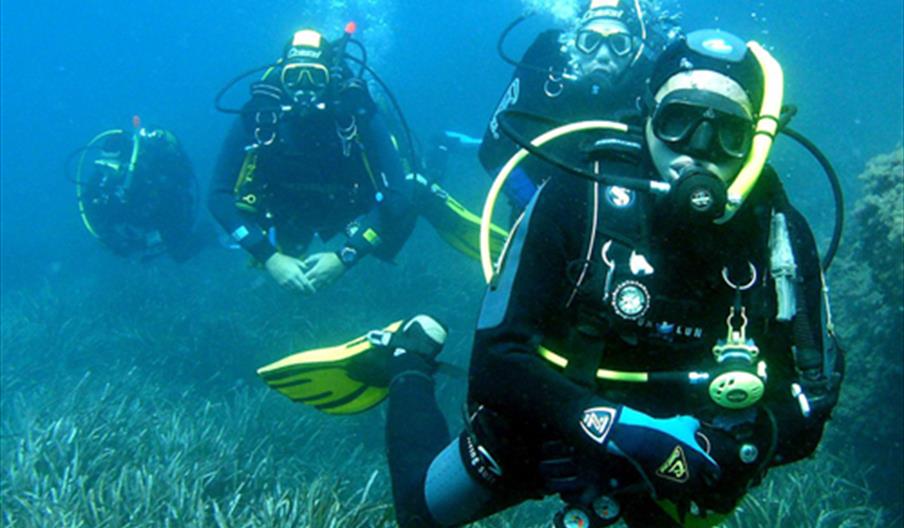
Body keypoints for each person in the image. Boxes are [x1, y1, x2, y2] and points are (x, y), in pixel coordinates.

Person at [263, 30, 843, 527]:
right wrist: (609, 427)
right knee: (420, 511)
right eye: (677, 122)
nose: (698, 152)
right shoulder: (575, 197)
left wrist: (745, 446)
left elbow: (812, 398)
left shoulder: (779, 235)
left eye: (727, 134)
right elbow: (496, 363)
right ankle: (410, 354)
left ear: (757, 141)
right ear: (646, 117)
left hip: (676, 465)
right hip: (542, 432)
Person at [210, 28, 507, 294]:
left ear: (330, 76)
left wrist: (346, 256)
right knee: (281, 269)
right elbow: (218, 195)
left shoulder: (356, 110)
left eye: (315, 76)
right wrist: (270, 257)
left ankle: (442, 150)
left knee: (417, 187)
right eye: (294, 76)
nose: (304, 87)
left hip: (354, 207)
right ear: (281, 75)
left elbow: (398, 195)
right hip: (289, 212)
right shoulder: (260, 115)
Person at [479, 0, 669, 214]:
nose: (603, 55)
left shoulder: (646, 84)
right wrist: (538, 209)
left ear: (633, 51)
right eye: (590, 41)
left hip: (621, 220)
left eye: (619, 43)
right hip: (537, 211)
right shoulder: (546, 68)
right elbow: (493, 151)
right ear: (572, 44)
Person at [75, 120, 202, 262]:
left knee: (180, 254)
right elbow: (90, 210)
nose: (106, 174)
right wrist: (110, 237)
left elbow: (176, 223)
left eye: (112, 168)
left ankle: (207, 237)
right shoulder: (101, 178)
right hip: (134, 220)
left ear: (128, 165)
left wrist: (142, 244)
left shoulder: (153, 178)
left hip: (158, 219)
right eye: (102, 166)